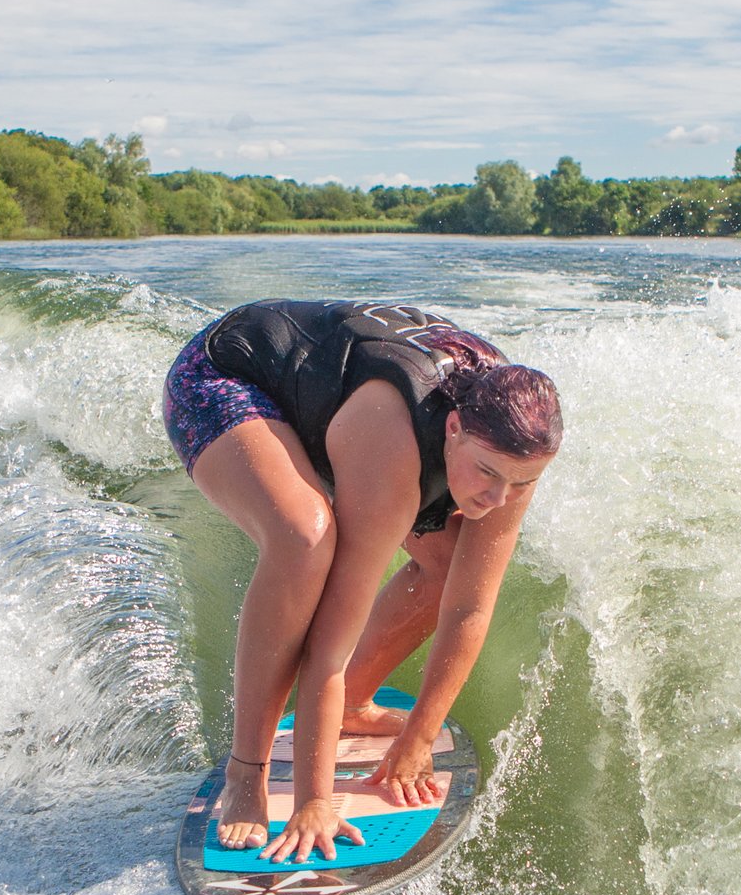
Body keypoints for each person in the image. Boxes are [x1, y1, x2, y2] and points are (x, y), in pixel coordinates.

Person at [163, 299, 563, 865]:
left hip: (335, 403)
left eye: (522, 484)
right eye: (488, 475)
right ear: (453, 429)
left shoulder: (510, 445)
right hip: (226, 375)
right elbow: (327, 647)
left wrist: (418, 739)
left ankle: (352, 705)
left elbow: (470, 608)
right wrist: (314, 802)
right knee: (305, 538)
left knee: (447, 568)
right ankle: (244, 773)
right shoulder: (394, 449)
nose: (499, 499)